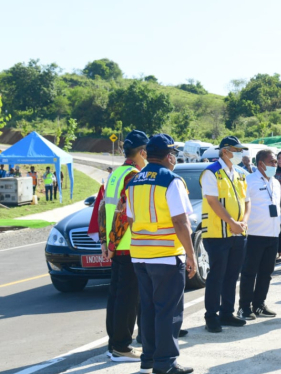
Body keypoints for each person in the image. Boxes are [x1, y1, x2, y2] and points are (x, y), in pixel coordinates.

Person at [126, 134, 198, 374]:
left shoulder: (134, 180)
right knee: (169, 310)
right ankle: (165, 362)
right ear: (169, 155)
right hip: (166, 255)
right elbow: (180, 222)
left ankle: (148, 358)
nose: (174, 158)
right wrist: (191, 255)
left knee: (147, 308)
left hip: (140, 255)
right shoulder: (171, 180)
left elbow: (129, 219)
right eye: (174, 154)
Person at [97, 130, 149, 362]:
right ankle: (121, 347)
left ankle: (113, 345)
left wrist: (105, 243)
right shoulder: (134, 175)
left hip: (116, 246)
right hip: (128, 245)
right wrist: (114, 241)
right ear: (143, 152)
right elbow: (122, 215)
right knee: (128, 299)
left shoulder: (116, 173)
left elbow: (101, 210)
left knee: (116, 297)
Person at [200, 136, 251, 333]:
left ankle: (227, 313)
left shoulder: (239, 173)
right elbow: (213, 202)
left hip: (238, 232)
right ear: (224, 151)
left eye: (240, 150)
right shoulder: (211, 172)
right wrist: (232, 223)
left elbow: (247, 201)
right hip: (217, 233)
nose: (239, 154)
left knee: (232, 274)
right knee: (217, 276)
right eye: (235, 150)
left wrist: (243, 222)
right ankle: (211, 316)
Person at [238, 149, 281, 320]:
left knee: (266, 273)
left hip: (273, 234)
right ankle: (244, 307)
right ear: (260, 164)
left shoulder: (276, 183)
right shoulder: (249, 181)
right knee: (249, 273)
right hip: (255, 234)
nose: (275, 164)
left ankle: (259, 305)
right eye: (271, 161)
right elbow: (243, 206)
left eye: (275, 162)